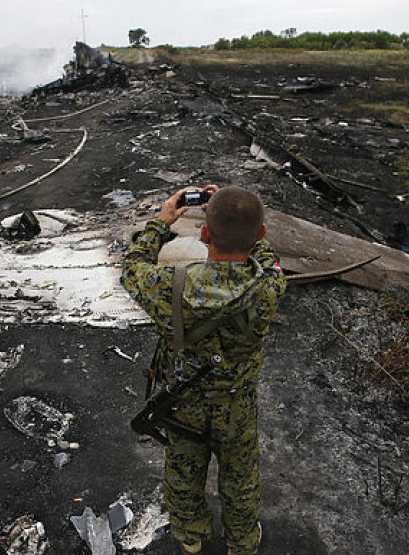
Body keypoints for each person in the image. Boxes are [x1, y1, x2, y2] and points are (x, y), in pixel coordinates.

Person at [121, 184, 286, 555]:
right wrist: (241, 219)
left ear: (204, 233)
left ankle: (191, 538)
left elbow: (132, 268)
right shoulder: (270, 286)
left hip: (184, 403)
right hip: (237, 403)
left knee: (183, 473)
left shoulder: (170, 285)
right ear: (260, 234)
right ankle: (242, 543)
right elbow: (268, 256)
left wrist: (161, 223)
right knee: (240, 478)